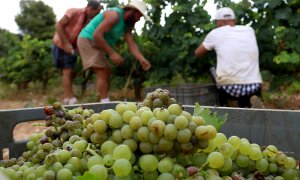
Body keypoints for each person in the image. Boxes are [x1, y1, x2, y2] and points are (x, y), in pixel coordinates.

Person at [77, 0, 151, 102]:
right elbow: (97, 35)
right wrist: (112, 53)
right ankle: (105, 103)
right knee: (102, 70)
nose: (139, 19)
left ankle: (104, 100)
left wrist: (141, 59)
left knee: (106, 70)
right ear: (132, 11)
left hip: (97, 43)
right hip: (88, 39)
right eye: (139, 15)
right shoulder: (114, 15)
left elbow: (131, 43)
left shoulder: (127, 25)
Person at [195, 7, 263, 108]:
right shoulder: (249, 30)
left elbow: (198, 53)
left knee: (213, 71)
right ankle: (247, 105)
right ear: (234, 20)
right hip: (255, 85)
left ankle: (224, 105)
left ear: (218, 22)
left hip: (229, 88)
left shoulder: (215, 33)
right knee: (246, 94)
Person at [52, 1, 103, 105]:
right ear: (90, 9)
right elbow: (58, 26)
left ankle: (67, 97)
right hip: (61, 44)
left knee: (70, 71)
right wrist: (66, 43)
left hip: (72, 48)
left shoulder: (89, 22)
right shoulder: (73, 12)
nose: (96, 15)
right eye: (96, 12)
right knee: (67, 70)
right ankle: (69, 97)